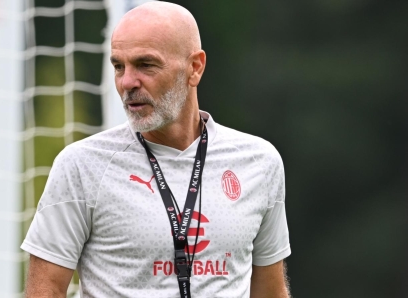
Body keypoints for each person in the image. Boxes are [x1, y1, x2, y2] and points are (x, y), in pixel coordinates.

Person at [22, 2, 291, 297]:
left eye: (145, 64)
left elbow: (270, 292)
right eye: (118, 66)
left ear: (195, 67)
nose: (127, 82)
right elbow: (44, 290)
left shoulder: (259, 162)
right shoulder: (81, 165)